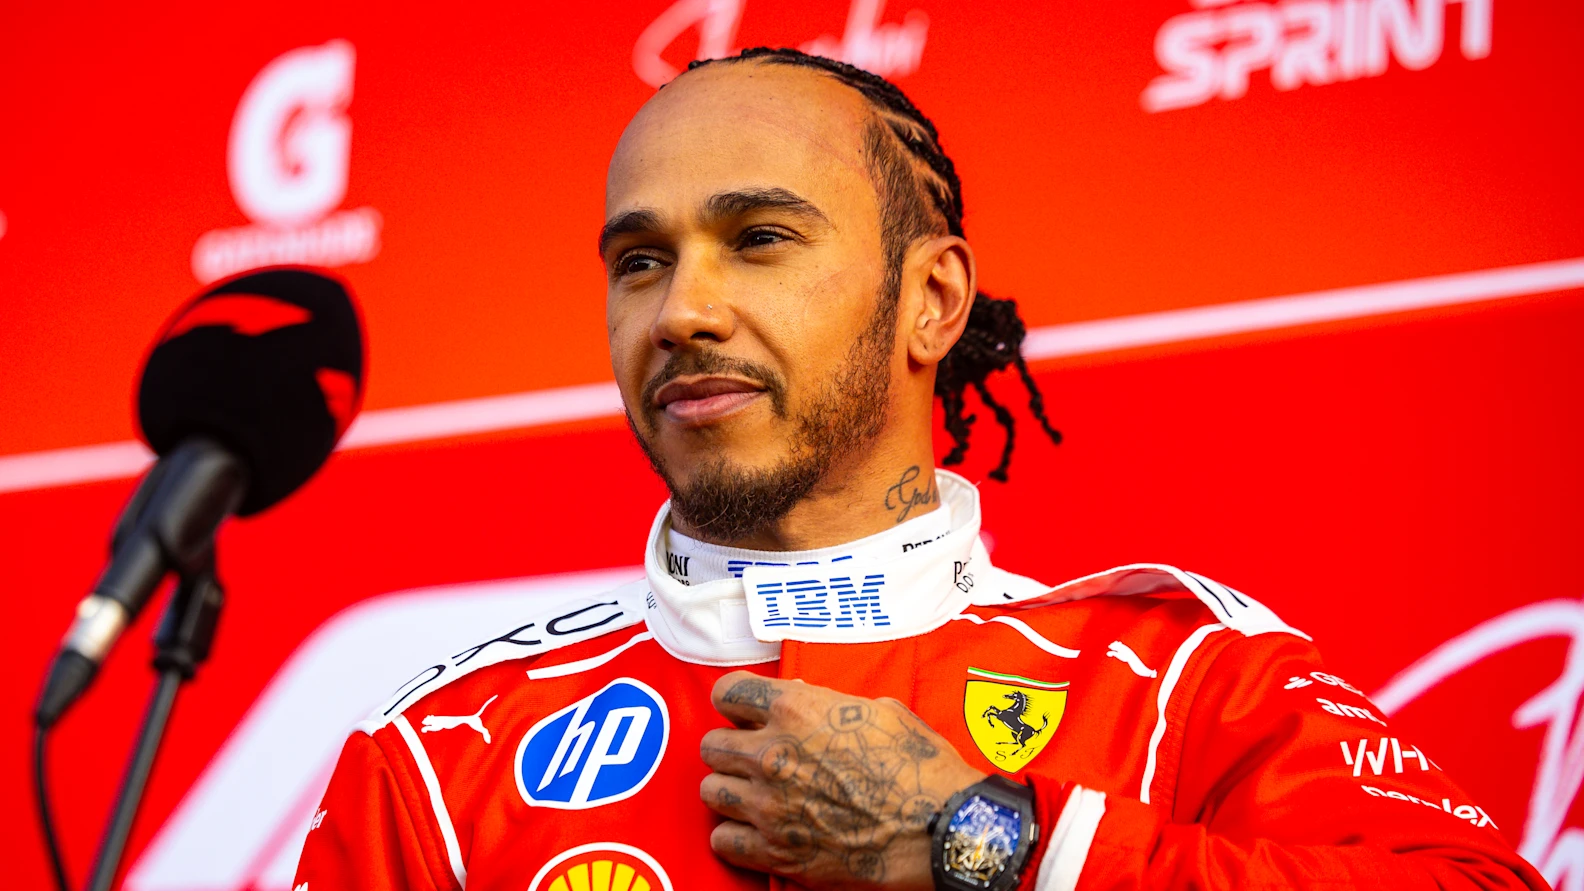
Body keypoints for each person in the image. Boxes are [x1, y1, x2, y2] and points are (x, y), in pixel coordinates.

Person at [294, 49, 1546, 891]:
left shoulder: (1174, 679)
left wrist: (987, 843)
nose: (681, 311)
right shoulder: (440, 755)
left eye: (759, 238)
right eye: (640, 262)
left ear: (931, 299)